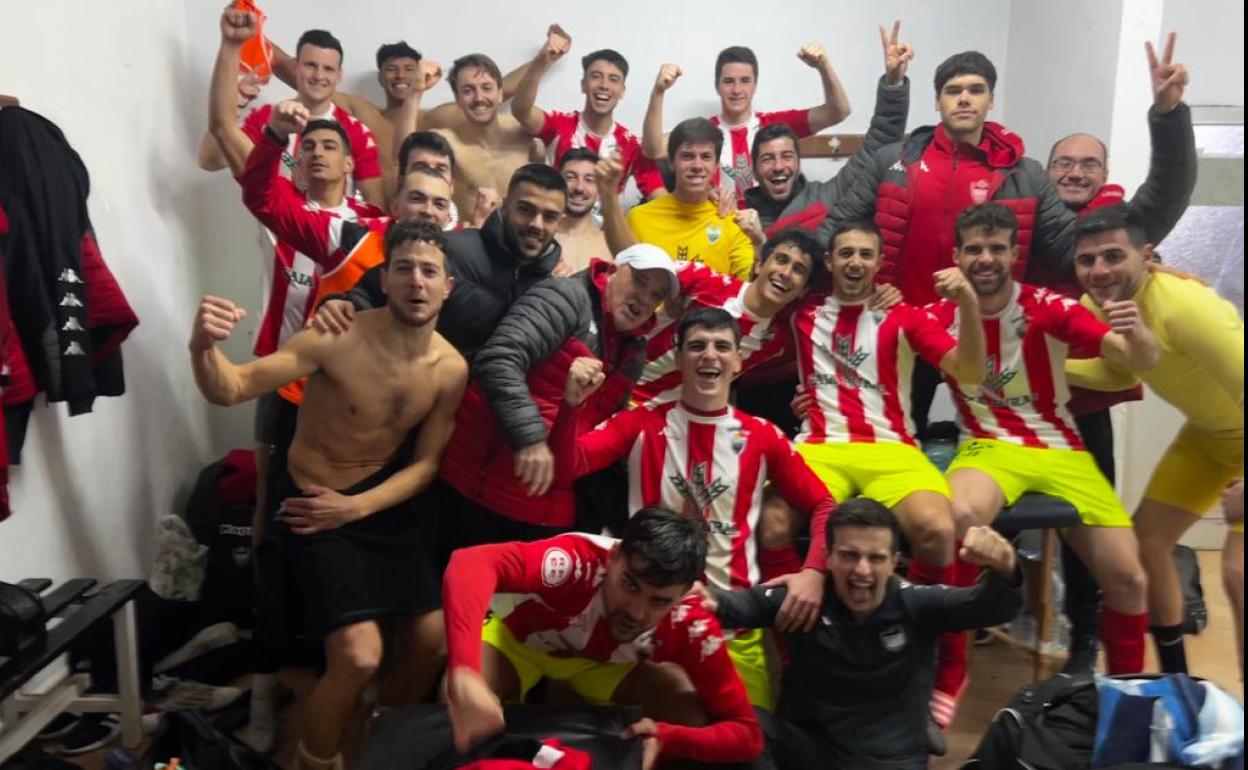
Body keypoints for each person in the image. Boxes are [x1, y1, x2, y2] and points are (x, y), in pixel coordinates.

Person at [188, 219, 468, 770]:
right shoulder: (336, 334)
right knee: (359, 657)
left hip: (375, 501)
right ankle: (315, 760)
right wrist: (202, 346)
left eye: (429, 271)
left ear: (447, 287)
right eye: (404, 268)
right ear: (384, 278)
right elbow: (233, 387)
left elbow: (426, 464)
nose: (416, 281)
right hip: (316, 500)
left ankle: (378, 741)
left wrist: (361, 505)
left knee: (433, 643)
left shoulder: (450, 368)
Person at [830, 37, 1195, 442]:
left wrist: (1168, 119)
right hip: (906, 333)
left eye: (975, 90)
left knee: (997, 450)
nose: (964, 99)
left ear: (990, 101)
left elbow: (1083, 246)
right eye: (953, 91)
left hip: (990, 340)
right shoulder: (892, 161)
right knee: (894, 445)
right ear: (937, 102)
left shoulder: (1026, 174)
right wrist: (872, 286)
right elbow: (841, 230)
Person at [930, 203, 1159, 726]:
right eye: (974, 249)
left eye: (996, 249)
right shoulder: (938, 312)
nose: (985, 259)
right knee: (960, 516)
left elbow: (1133, 359)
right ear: (957, 255)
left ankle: (1125, 706)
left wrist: (1140, 335)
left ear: (1014, 254)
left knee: (1130, 580)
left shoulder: (1046, 306)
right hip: (988, 444)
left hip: (1061, 447)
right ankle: (952, 671)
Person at [554, 307, 837, 712]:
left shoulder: (763, 436)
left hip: (732, 627)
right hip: (645, 624)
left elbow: (825, 504)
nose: (709, 355)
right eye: (697, 346)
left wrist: (813, 572)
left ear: (738, 361)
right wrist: (571, 408)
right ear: (680, 357)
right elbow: (569, 465)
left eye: (723, 347)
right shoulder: (640, 423)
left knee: (742, 745)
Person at [1041, 37, 1196, 672]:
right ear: (1047, 173)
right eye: (1064, 164)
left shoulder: (1119, 226)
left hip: (1086, 404)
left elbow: (1170, 189)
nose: (1075, 173)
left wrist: (1168, 116)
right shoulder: (1033, 225)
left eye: (1088, 164)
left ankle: (1083, 640)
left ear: (1103, 173)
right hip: (1016, 410)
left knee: (1090, 535)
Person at [704, 500, 1023, 770]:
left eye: (876, 558)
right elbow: (736, 605)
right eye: (849, 555)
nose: (863, 570)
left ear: (894, 562)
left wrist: (1004, 564)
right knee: (741, 724)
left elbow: (990, 607)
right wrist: (698, 598)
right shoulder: (803, 598)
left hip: (893, 760)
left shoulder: (917, 603)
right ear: (827, 557)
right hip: (814, 753)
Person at [1064, 205, 1243, 681]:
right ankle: (1176, 684)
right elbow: (1118, 372)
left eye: (1112, 257)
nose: (1099, 271)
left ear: (1146, 256)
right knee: (1148, 543)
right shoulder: (1095, 305)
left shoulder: (1187, 306)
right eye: (1087, 261)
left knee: (1238, 574)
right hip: (1208, 438)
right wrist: (1042, 367)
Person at [442, 507, 763, 768]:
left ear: (683, 594)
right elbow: (469, 562)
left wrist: (670, 737)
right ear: (613, 558)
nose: (637, 612)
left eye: (659, 601)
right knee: (455, 702)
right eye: (631, 585)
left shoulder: (692, 623)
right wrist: (464, 672)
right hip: (522, 643)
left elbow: (747, 734)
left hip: (607, 668)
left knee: (691, 715)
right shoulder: (573, 562)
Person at [437, 244, 677, 555]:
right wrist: (530, 439)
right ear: (613, 271)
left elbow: (602, 432)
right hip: (479, 491)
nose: (645, 299)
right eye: (640, 282)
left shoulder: (634, 351)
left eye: (656, 295)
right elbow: (498, 359)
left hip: (547, 508)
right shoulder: (565, 297)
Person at [785, 220, 983, 588]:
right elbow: (766, 284)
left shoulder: (906, 316)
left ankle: (933, 643)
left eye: (865, 254)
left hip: (892, 449)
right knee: (771, 523)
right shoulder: (802, 313)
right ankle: (795, 634)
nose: (855, 263)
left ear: (879, 265)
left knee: (939, 530)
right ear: (828, 261)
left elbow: (969, 372)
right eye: (845, 253)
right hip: (821, 448)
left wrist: (968, 303)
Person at [249, 132, 568, 359]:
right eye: (417, 198)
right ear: (396, 200)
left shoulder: (553, 278)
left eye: (438, 202)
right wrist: (340, 304)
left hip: (468, 412)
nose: (536, 224)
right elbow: (371, 289)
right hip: (348, 388)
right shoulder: (355, 235)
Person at [747, 22, 913, 246]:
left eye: (787, 156)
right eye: (767, 159)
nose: (778, 166)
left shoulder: (828, 196)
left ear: (798, 163)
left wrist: (893, 84)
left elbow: (880, 142)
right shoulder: (740, 217)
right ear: (754, 171)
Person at [197, 15, 385, 207]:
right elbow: (209, 160)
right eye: (310, 65)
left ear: (338, 76)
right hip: (275, 233)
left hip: (330, 235)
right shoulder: (266, 119)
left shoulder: (356, 131)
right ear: (295, 67)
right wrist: (236, 102)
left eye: (328, 69)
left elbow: (375, 208)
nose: (319, 76)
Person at [629, 227, 824, 409]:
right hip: (620, 390)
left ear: (803, 290)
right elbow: (634, 265)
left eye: (799, 270)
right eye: (781, 260)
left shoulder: (777, 341)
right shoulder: (704, 281)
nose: (785, 273)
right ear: (759, 265)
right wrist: (669, 290)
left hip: (668, 418)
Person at [387, 28, 569, 219]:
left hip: (519, 241)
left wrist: (546, 58)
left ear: (500, 93)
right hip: (469, 240)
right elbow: (401, 159)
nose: (479, 98)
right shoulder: (448, 143)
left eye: (487, 88)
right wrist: (414, 94)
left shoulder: (524, 133)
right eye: (468, 90)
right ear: (457, 99)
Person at [641, 43, 852, 206]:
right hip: (719, 228)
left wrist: (823, 67)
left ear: (755, 85)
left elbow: (838, 112)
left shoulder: (773, 127)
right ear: (717, 86)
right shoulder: (704, 132)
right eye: (728, 81)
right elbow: (652, 149)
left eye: (744, 81)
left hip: (768, 225)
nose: (736, 90)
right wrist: (658, 92)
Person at [511, 38, 664, 198]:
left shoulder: (631, 145)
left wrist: (659, 92)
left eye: (613, 79)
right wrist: (541, 61)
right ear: (583, 84)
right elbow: (522, 111)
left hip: (605, 223)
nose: (604, 85)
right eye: (596, 76)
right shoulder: (560, 125)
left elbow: (660, 198)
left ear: (622, 91)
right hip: (558, 219)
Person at [613, 118, 755, 280]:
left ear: (716, 165)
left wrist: (759, 241)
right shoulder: (638, 218)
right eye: (687, 156)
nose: (697, 165)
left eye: (706, 157)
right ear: (672, 163)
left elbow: (749, 287)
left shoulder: (733, 222)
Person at [553, 148, 609, 274]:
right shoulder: (541, 238)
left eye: (589, 180)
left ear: (600, 188)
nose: (579, 188)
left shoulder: (610, 245)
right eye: (570, 178)